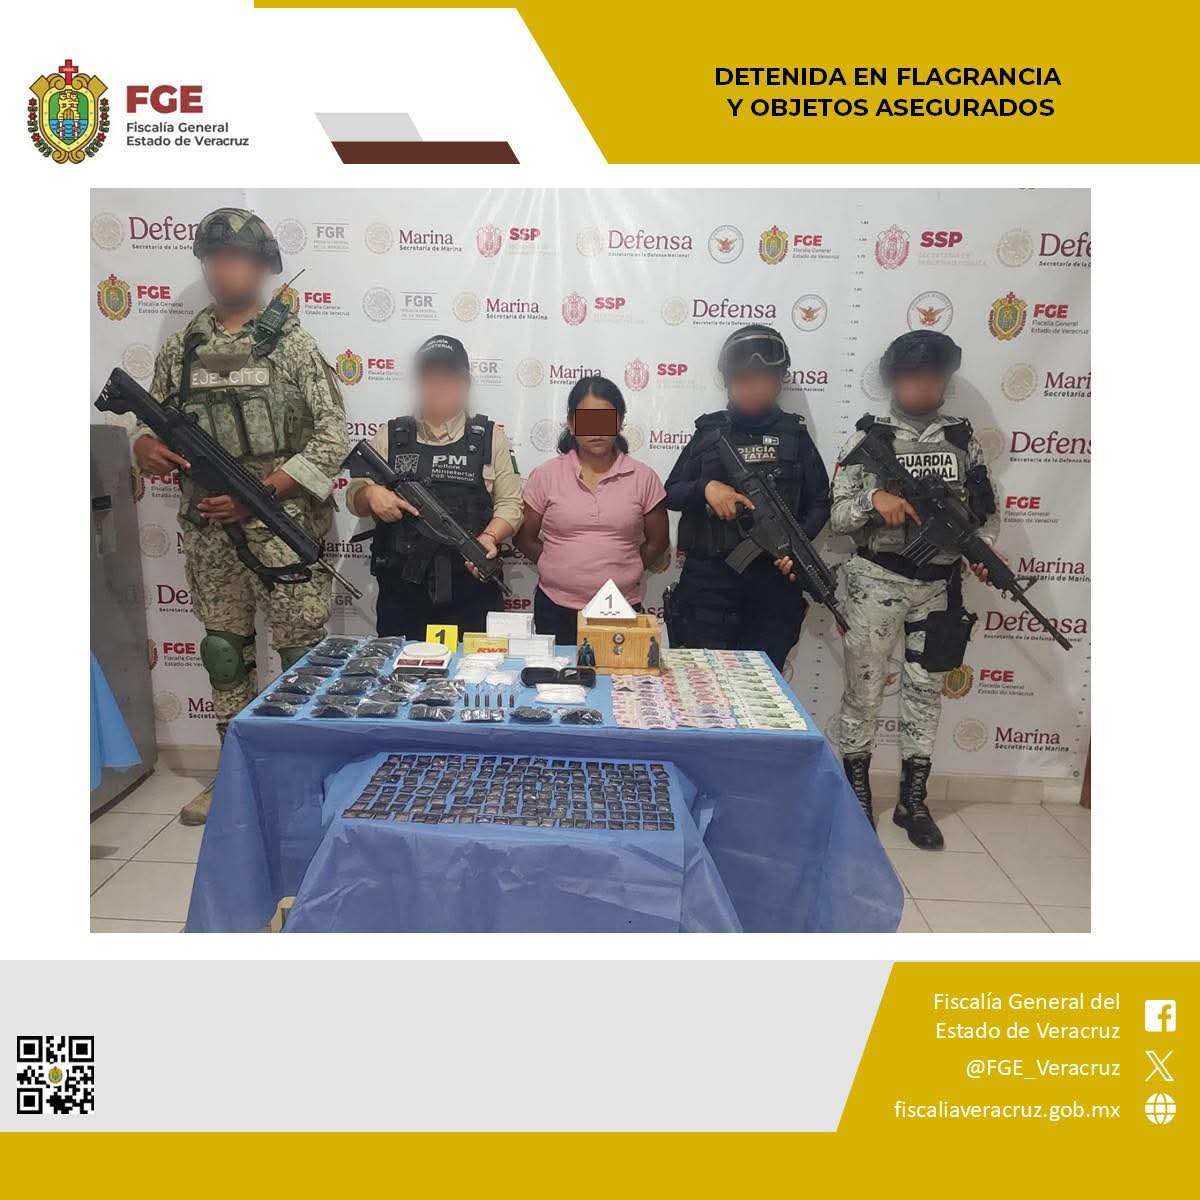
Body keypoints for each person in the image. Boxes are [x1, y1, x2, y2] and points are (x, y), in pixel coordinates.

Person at [132, 207, 349, 825]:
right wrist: (143, 447)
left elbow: (332, 436)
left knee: (302, 656)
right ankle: (233, 778)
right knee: (224, 653)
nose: (227, 269)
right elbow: (151, 424)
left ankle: (307, 776)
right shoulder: (183, 349)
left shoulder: (293, 344)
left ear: (263, 268)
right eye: (217, 257)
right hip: (210, 532)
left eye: (241, 259)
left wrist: (262, 491)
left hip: (283, 528)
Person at [832, 330, 998, 850]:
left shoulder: (962, 441)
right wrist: (873, 501)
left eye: (932, 376)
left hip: (939, 587)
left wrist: (985, 554)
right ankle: (856, 794)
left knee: (925, 693)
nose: (922, 385)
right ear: (893, 380)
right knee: (863, 690)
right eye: (911, 376)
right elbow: (838, 517)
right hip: (877, 581)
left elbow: (985, 511)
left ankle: (913, 800)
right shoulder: (867, 442)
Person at [664, 325, 830, 670]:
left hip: (772, 586)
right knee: (701, 686)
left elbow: (820, 502)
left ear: (779, 381)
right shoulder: (709, 434)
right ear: (728, 382)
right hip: (709, 584)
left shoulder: (794, 436)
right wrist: (705, 488)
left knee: (764, 688)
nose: (752, 387)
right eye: (742, 379)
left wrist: (795, 547)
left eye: (762, 378)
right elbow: (670, 492)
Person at [346, 334, 523, 637]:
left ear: (466, 384)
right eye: (431, 377)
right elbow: (354, 495)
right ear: (418, 383)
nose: (439, 385)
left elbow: (511, 504)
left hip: (471, 592)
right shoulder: (391, 435)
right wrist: (371, 494)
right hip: (402, 596)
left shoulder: (490, 438)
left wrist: (491, 536)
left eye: (448, 378)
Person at [516, 376, 669, 646]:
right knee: (558, 674)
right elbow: (523, 538)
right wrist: (557, 564)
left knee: (617, 675)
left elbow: (658, 543)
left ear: (620, 422)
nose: (597, 431)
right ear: (571, 423)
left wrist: (624, 570)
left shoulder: (643, 477)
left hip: (621, 607)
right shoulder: (546, 476)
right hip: (556, 608)